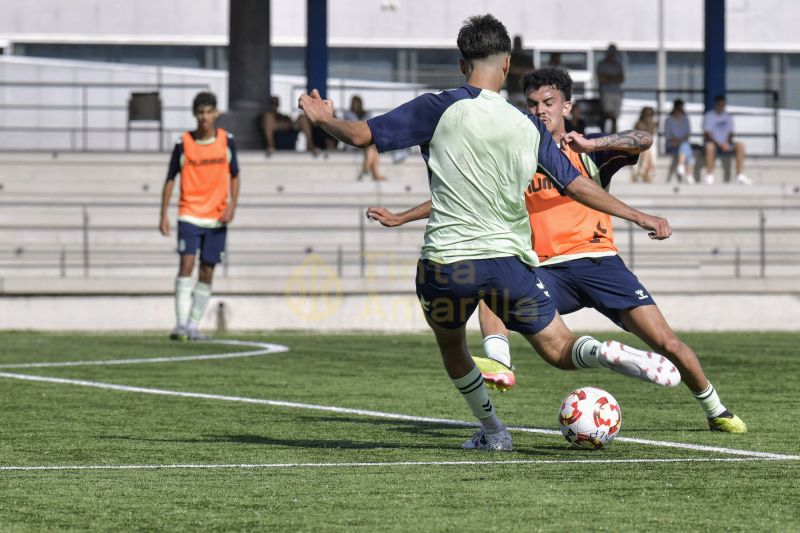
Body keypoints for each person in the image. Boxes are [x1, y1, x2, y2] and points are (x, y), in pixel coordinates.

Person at [301, 15, 677, 452]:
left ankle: (494, 431)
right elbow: (577, 185)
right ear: (508, 65)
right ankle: (603, 353)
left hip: (447, 264)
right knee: (559, 348)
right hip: (509, 266)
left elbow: (362, 135)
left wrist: (324, 119)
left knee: (452, 346)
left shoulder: (438, 107)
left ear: (463, 63)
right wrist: (639, 216)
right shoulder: (527, 125)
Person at [368, 67, 746, 434]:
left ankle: (716, 409)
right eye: (532, 103)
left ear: (567, 106)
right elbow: (461, 199)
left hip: (601, 263)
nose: (539, 110)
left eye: (548, 102)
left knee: (668, 343)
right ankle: (500, 362)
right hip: (546, 269)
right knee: (491, 287)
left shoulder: (588, 151)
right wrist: (403, 217)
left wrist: (592, 143)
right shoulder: (518, 148)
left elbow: (644, 139)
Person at [159, 91, 240, 342]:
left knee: (207, 271)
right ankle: (181, 324)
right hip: (189, 214)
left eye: (209, 112)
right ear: (195, 115)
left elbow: (235, 175)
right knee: (186, 265)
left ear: (216, 113)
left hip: (216, 217)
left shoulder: (226, 141)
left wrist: (232, 206)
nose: (205, 117)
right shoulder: (183, 143)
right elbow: (170, 179)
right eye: (200, 113)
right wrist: (163, 213)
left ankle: (194, 326)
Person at [703, 95, 751, 185]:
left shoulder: (728, 117)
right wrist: (719, 144)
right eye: (720, 105)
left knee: (740, 145)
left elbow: (730, 133)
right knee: (709, 147)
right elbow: (707, 134)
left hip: (726, 144)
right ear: (716, 105)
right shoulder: (709, 116)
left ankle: (740, 175)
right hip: (715, 144)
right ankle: (709, 175)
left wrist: (726, 143)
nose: (721, 107)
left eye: (723, 105)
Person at [344, 95, 387, 181]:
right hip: (353, 142)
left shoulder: (367, 113)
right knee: (372, 148)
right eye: (353, 103)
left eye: (356, 103)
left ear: (360, 104)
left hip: (366, 141)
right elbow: (356, 127)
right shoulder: (348, 114)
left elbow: (371, 127)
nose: (354, 105)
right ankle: (373, 173)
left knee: (372, 148)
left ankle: (367, 168)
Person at [663, 99, 695, 184]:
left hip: (682, 143)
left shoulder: (685, 119)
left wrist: (679, 141)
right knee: (687, 148)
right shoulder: (668, 120)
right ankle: (689, 175)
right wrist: (677, 141)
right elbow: (667, 135)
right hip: (671, 144)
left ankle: (681, 165)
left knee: (684, 146)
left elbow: (687, 134)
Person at [596, 44, 624, 133]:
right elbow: (601, 78)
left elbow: (621, 78)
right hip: (606, 93)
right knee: (608, 114)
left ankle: (614, 133)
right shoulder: (601, 64)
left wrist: (609, 77)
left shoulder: (618, 65)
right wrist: (614, 78)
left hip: (617, 93)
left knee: (615, 117)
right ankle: (606, 134)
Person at [506, 35, 534, 107]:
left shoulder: (527, 58)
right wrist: (524, 70)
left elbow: (532, 71)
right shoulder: (510, 56)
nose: (517, 44)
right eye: (516, 42)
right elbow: (512, 70)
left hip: (524, 91)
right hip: (513, 90)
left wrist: (518, 70)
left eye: (518, 42)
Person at [631, 107, 656, 183]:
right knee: (647, 151)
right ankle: (643, 172)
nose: (648, 116)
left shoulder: (653, 123)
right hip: (639, 145)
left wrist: (649, 123)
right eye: (646, 115)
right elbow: (641, 136)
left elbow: (650, 133)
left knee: (648, 151)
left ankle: (642, 172)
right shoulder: (638, 123)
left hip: (650, 146)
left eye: (650, 115)